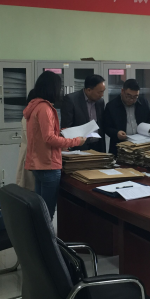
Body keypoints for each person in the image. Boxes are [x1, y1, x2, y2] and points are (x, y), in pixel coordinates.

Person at [23, 71, 86, 219]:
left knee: (39, 210)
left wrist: (62, 133)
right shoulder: (45, 108)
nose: (60, 90)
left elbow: (42, 135)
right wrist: (76, 141)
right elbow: (49, 139)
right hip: (48, 165)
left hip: (38, 163)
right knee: (47, 212)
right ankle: (45, 235)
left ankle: (37, 233)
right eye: (59, 87)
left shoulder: (35, 106)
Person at [104, 78, 150, 155]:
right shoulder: (111, 106)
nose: (131, 100)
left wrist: (149, 129)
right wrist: (116, 133)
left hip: (140, 146)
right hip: (120, 147)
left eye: (135, 97)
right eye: (128, 96)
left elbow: (149, 120)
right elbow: (106, 127)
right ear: (122, 91)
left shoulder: (144, 103)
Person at [61, 74, 106, 152]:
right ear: (88, 90)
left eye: (103, 91)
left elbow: (101, 125)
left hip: (97, 145)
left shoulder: (100, 102)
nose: (102, 95)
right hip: (79, 147)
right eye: (99, 92)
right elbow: (66, 126)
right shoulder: (71, 100)